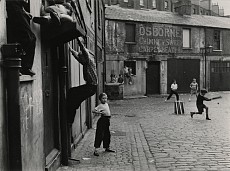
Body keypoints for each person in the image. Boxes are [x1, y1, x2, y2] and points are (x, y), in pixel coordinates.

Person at [67, 36, 98, 125]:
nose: (80, 59)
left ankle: (69, 120)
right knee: (73, 96)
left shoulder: (89, 61)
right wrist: (70, 49)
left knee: (72, 94)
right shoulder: (85, 62)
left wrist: (78, 40)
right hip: (90, 87)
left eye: (82, 57)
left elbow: (84, 52)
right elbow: (77, 55)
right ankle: (73, 109)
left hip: (91, 87)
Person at [6, 0, 36, 76]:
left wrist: (24, 11)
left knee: (30, 38)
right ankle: (21, 67)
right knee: (28, 37)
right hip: (14, 7)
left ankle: (23, 67)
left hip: (17, 7)